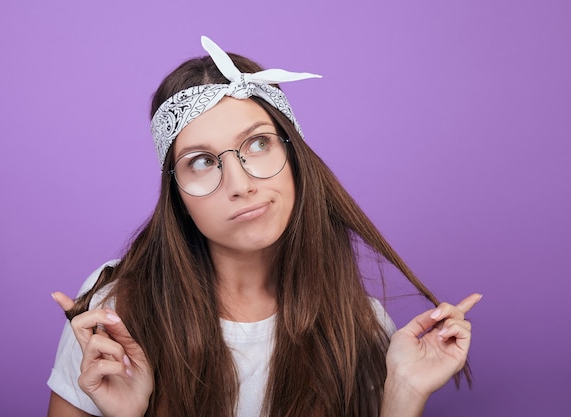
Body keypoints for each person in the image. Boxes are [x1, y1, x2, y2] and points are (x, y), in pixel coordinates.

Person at [47, 36, 481, 417]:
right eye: (201, 161)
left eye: (257, 144)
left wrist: (403, 396)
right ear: (176, 193)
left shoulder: (361, 325)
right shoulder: (116, 310)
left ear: (294, 155)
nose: (240, 184)